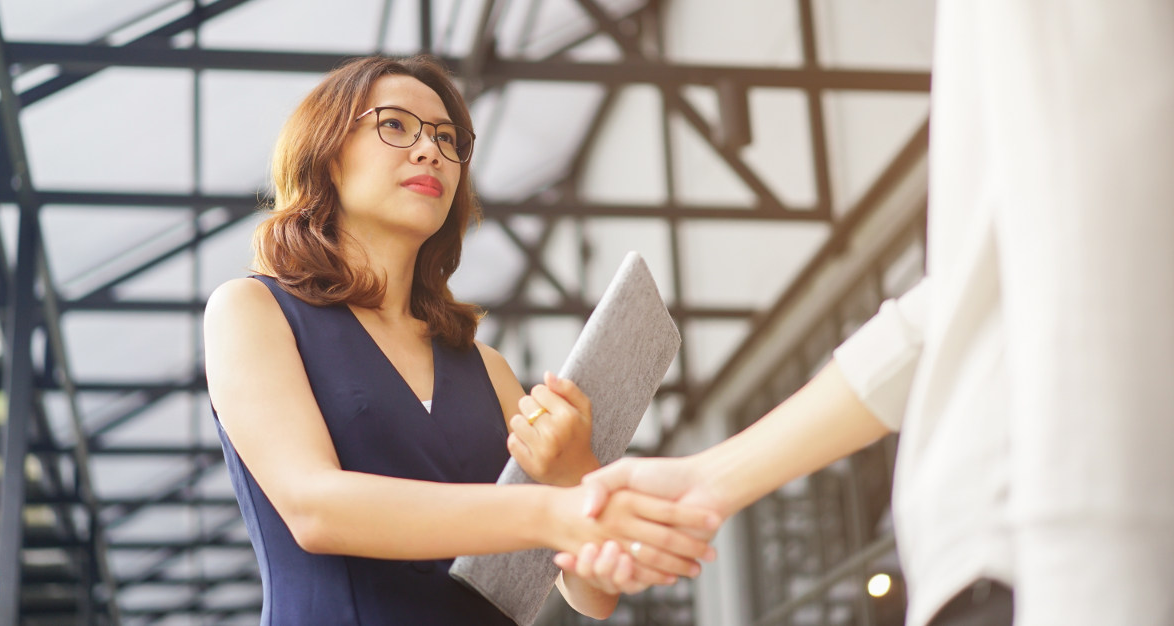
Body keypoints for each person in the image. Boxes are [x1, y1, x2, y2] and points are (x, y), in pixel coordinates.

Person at [536, 2, 1174, 624]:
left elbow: (1096, 215)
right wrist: (709, 479)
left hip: (1041, 558)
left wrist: (1095, 574)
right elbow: (959, 306)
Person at [202, 55, 719, 625]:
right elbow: (314, 509)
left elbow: (592, 596)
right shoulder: (253, 311)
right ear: (326, 153)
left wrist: (576, 472)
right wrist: (549, 509)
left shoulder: (487, 368)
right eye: (395, 125)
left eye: (449, 140)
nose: (431, 152)